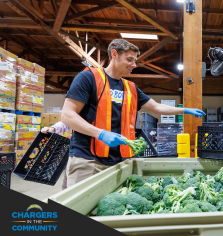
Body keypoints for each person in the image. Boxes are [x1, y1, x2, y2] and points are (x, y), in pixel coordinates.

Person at [61, 39, 205, 188]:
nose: (134, 65)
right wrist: (101, 134)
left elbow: (157, 107)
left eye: (135, 61)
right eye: (129, 59)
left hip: (119, 161)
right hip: (88, 160)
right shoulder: (89, 77)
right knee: (79, 208)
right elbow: (67, 115)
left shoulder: (130, 88)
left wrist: (185, 110)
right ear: (114, 54)